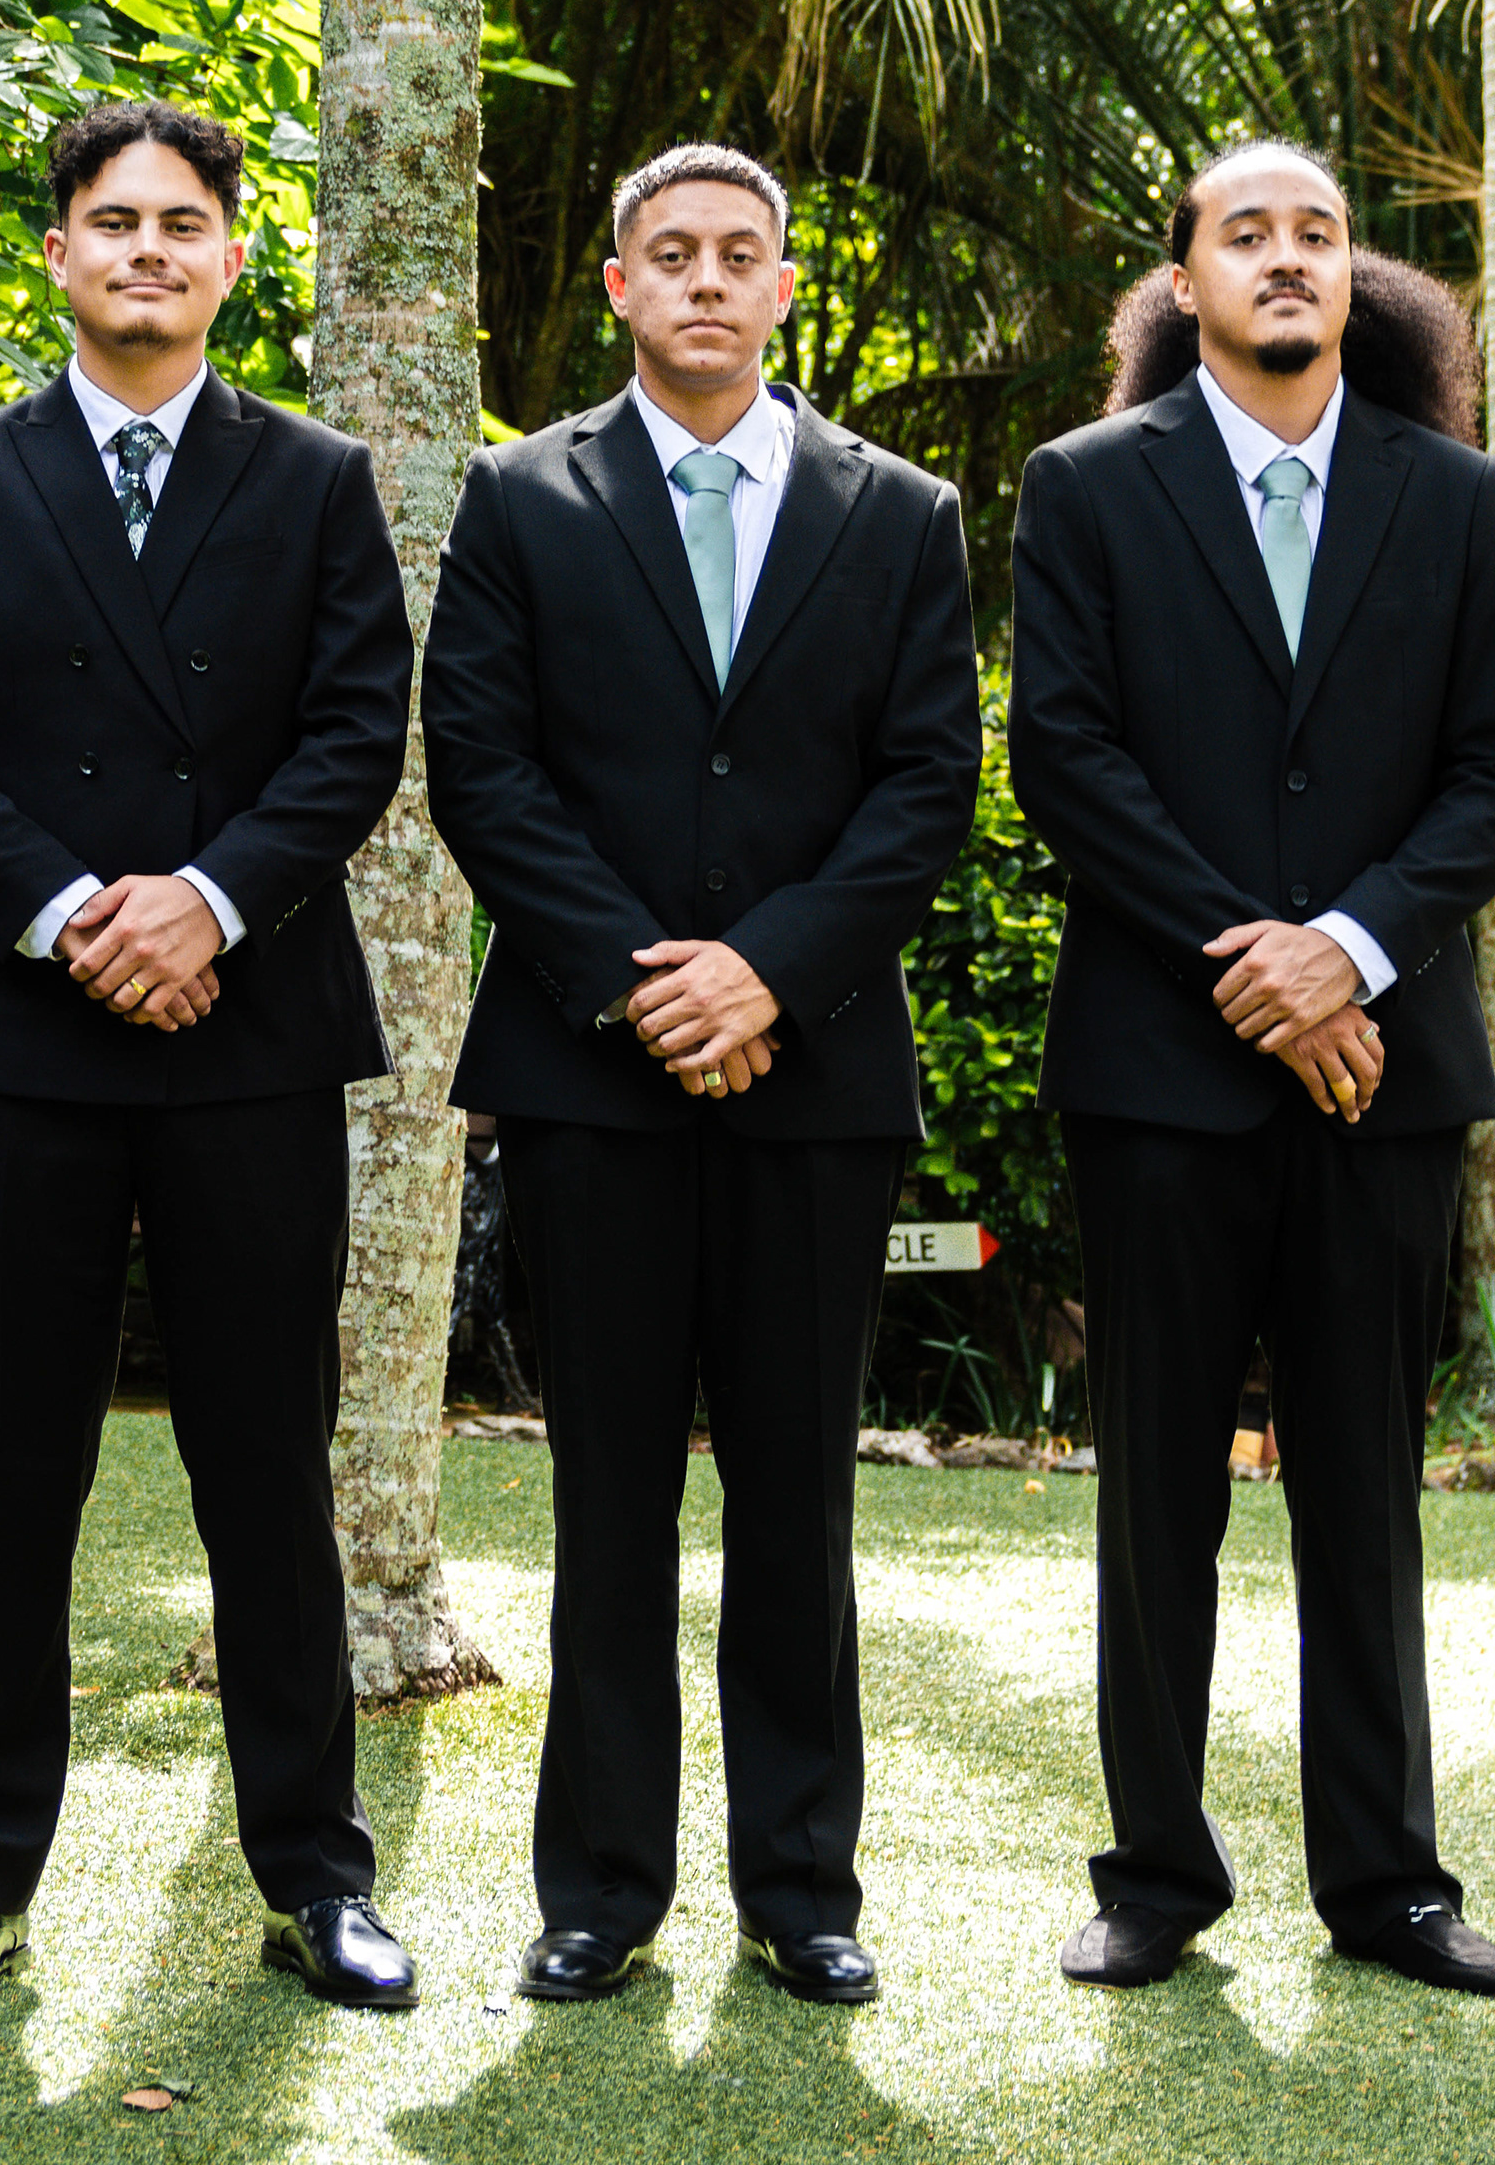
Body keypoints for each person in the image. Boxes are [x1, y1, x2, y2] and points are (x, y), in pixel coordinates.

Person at [0, 99, 417, 2013]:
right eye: (113, 221)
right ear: (60, 255)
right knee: (13, 1474)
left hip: (252, 1036)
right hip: (21, 1036)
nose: (148, 249)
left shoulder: (318, 478)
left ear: (234, 260)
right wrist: (83, 915)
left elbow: (354, 732)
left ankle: (317, 1878)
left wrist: (210, 906)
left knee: (269, 1475)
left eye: (183, 223)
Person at [423, 143, 982, 2007]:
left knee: (798, 1502)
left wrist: (770, 977)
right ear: (620, 286)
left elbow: (926, 781)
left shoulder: (899, 511)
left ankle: (802, 1889)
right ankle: (600, 1889)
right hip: (594, 1075)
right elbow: (482, 764)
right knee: (607, 1503)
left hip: (816, 1079)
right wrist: (644, 984)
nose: (708, 281)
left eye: (742, 254)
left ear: (785, 286)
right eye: (673, 254)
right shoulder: (521, 496)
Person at [1008, 137, 1495, 1996]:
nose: (1289, 257)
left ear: (1354, 275)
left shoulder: (1453, 497)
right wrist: (1261, 964)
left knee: (1364, 1487)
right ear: (1187, 285)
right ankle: (1155, 1876)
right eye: (1248, 234)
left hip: (1388, 1073)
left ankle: (1390, 1888)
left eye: (1318, 232)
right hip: (1163, 1067)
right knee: (1157, 1484)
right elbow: (1066, 756)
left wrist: (1354, 953)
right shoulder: (1085, 487)